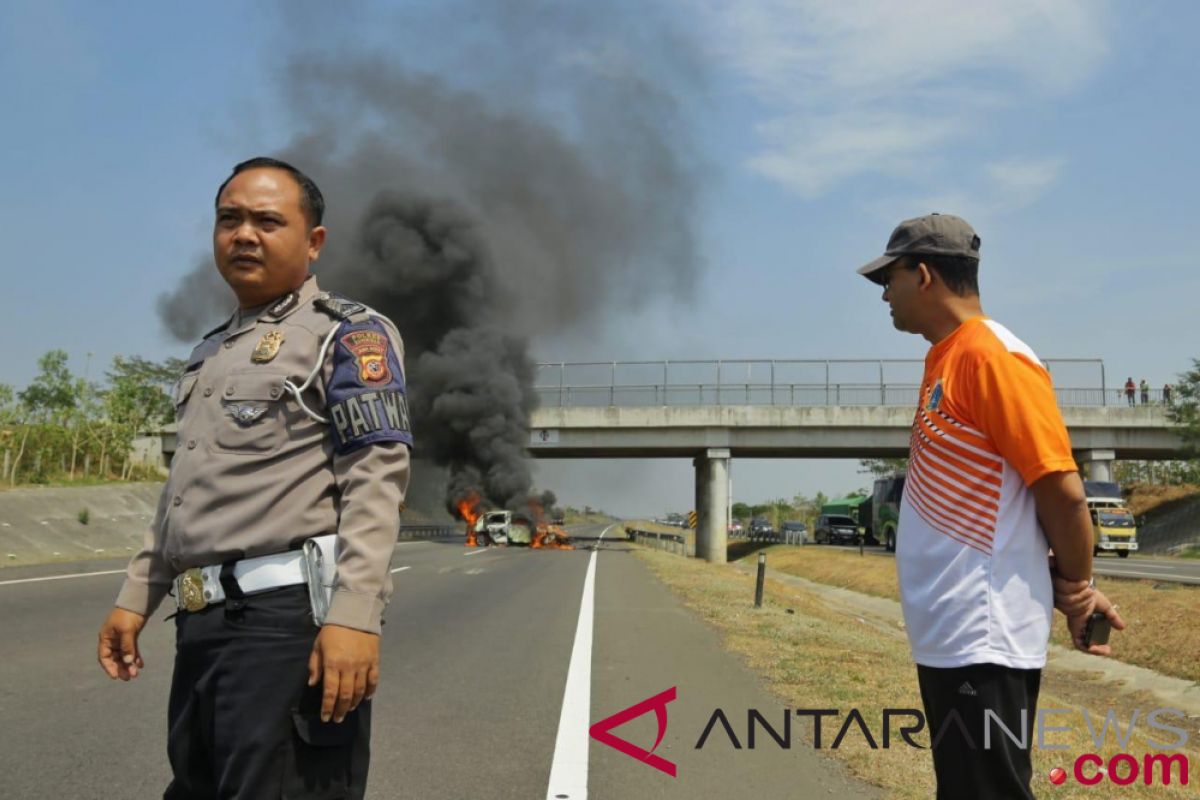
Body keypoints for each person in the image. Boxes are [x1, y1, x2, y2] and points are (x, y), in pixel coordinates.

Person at [96, 157, 413, 799]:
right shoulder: (210, 352)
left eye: (268, 221)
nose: (245, 234)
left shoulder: (347, 335)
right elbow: (184, 492)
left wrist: (354, 618)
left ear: (313, 241)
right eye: (229, 219)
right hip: (203, 628)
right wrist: (137, 596)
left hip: (286, 627)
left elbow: (374, 480)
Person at [856, 213, 1125, 800]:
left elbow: (1062, 488)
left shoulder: (994, 357)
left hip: (982, 634)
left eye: (889, 278)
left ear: (923, 274)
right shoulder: (947, 358)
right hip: (952, 633)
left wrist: (1077, 587)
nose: (883, 294)